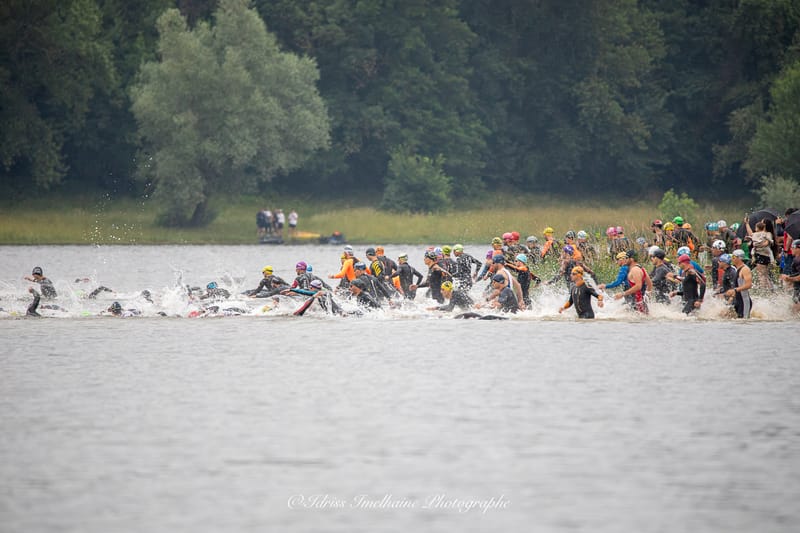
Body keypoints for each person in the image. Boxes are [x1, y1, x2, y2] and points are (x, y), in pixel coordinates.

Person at [726, 249, 753, 318]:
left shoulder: (745, 269)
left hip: (744, 301)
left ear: (739, 258)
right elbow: (738, 285)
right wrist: (732, 296)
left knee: (744, 322)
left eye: (733, 257)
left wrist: (734, 290)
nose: (732, 259)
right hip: (738, 300)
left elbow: (749, 285)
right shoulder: (737, 269)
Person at [748, 220, 774, 289]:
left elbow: (751, 234)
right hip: (767, 256)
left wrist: (757, 245)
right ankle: (770, 288)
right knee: (765, 274)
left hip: (761, 255)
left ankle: (764, 290)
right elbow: (767, 243)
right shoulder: (768, 234)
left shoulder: (757, 234)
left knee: (761, 275)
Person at [780, 239, 800, 313]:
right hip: (797, 288)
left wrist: (788, 278)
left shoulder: (798, 260)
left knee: (795, 311)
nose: (791, 249)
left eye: (792, 247)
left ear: (798, 248)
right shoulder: (796, 259)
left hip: (798, 289)